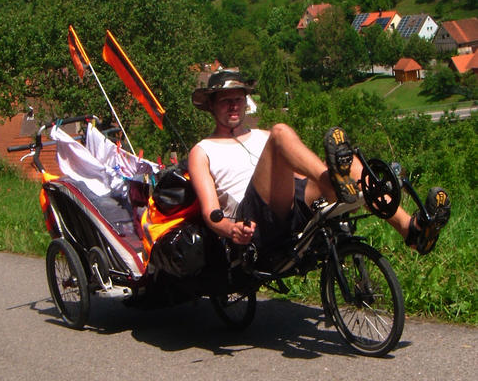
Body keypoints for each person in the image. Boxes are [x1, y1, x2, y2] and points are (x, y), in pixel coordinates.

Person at [187, 70, 450, 258]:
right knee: (281, 132)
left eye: (238, 99)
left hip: (294, 200)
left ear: (245, 102)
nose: (233, 106)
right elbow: (211, 212)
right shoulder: (203, 150)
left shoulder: (261, 137)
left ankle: (412, 231)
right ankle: (332, 185)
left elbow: (303, 168)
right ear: (211, 106)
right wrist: (231, 229)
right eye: (225, 100)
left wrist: (339, 171)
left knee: (354, 166)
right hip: (254, 220)